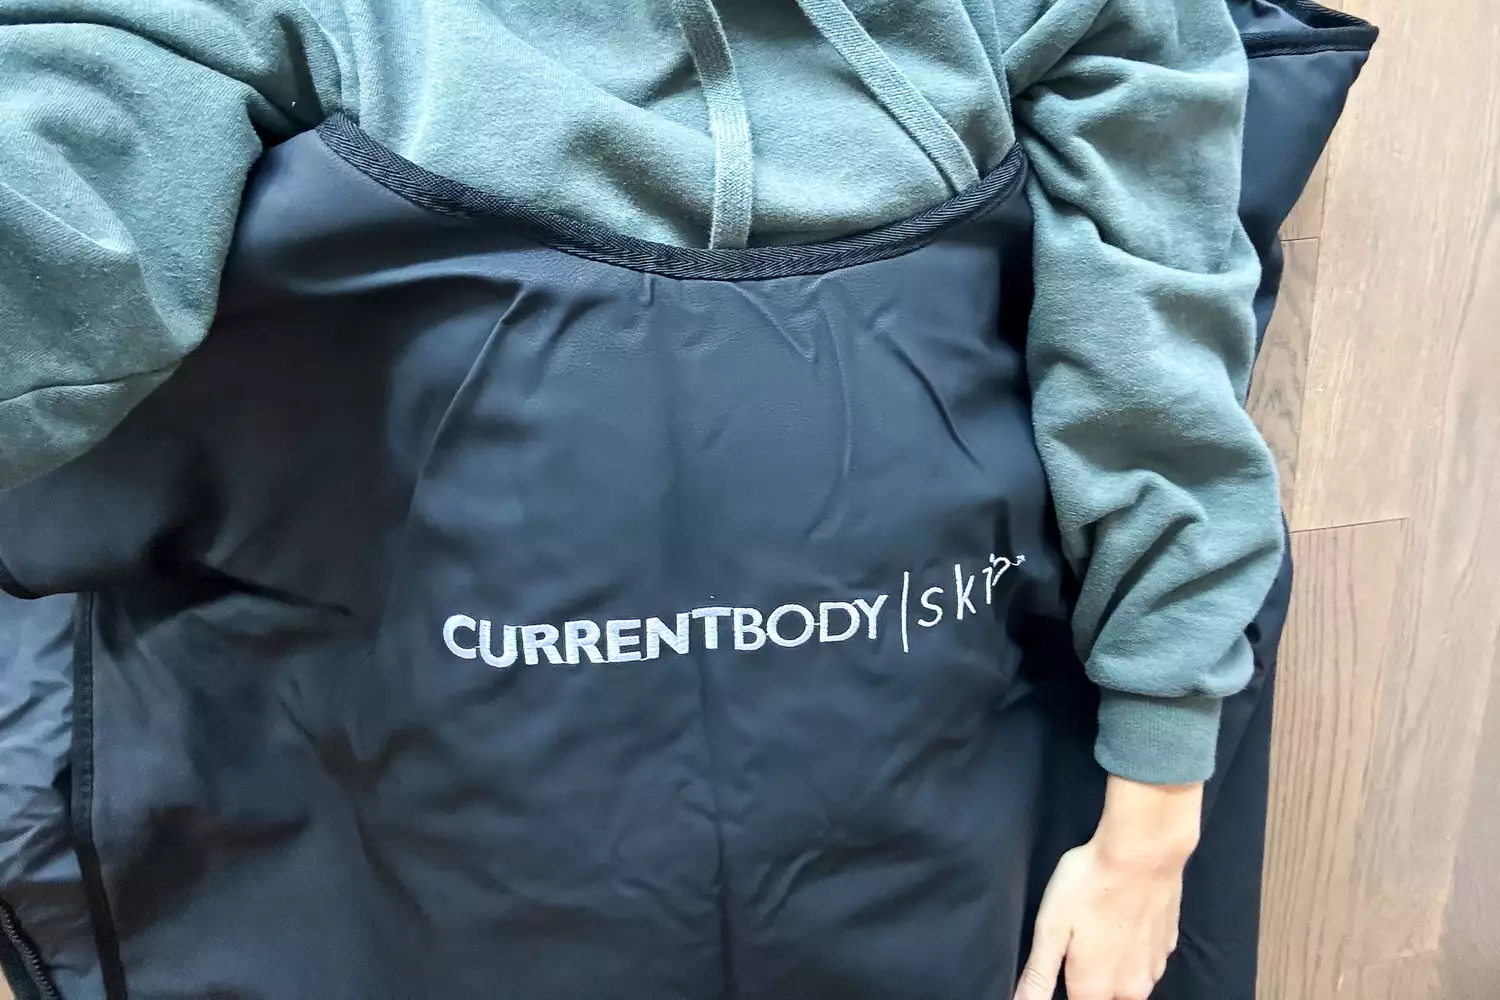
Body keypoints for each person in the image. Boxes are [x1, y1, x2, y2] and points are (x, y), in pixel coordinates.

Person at [0, 2, 1284, 998]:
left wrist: (1154, 819)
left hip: (933, 824)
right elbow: (59, 201)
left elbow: (1155, 367)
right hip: (417, 844)